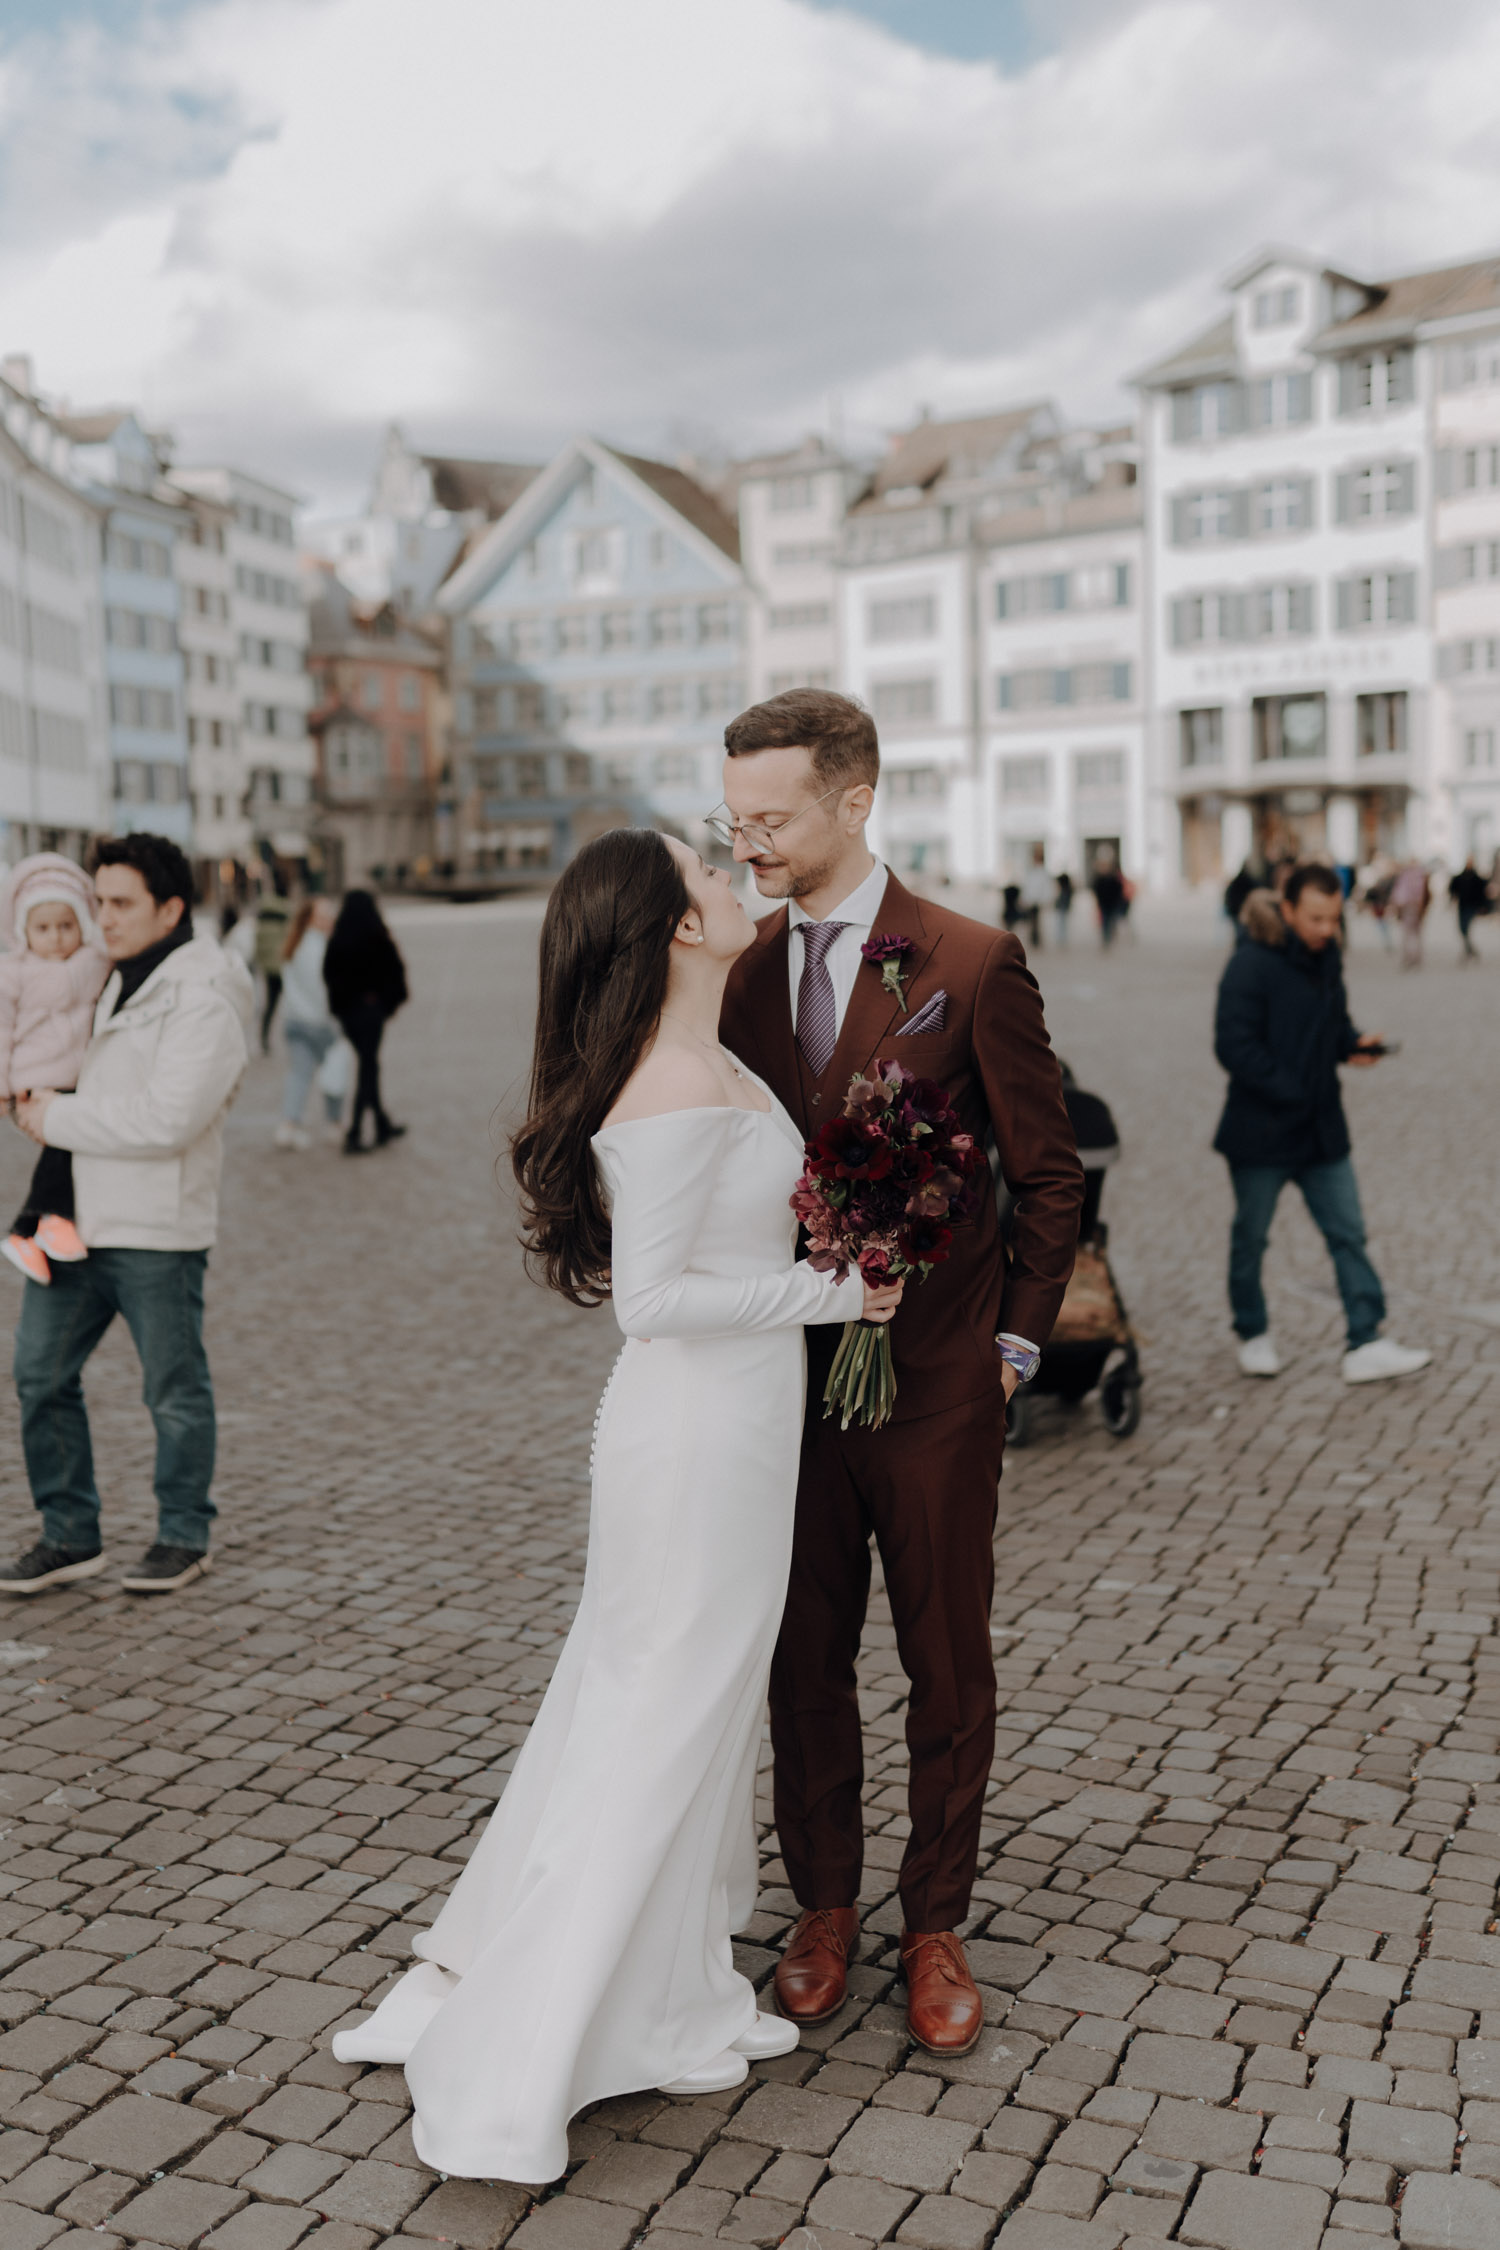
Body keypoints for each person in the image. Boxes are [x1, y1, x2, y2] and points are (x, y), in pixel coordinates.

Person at [329, 827, 893, 2179]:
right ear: (678, 928)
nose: (730, 874)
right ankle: (532, 2044)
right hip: (694, 1434)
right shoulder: (676, 1080)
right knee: (663, 1707)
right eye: (705, 870)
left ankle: (672, 1987)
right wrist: (835, 1289)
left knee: (677, 1698)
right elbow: (651, 1301)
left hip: (735, 1424)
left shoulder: (715, 1058)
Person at [717, 689, 1083, 2057]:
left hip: (936, 1383)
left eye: (772, 817)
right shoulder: (735, 973)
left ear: (854, 800)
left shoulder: (971, 962)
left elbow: (1049, 1174)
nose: (748, 840)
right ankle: (824, 1906)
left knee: (945, 1660)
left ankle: (936, 1920)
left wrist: (1014, 1348)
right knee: (802, 1660)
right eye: (734, 817)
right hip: (781, 1384)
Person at [0, 833, 252, 1596]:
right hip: (74, 1222)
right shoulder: (104, 974)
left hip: (154, 1227)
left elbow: (168, 1118)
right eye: (98, 901)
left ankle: (183, 1534)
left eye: (119, 903)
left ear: (170, 908)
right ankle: (69, 1534)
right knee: (39, 1375)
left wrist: (53, 1116)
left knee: (172, 1388)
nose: (101, 917)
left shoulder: (203, 994)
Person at [1213, 863, 1430, 1387]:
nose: (1327, 929)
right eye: (1316, 918)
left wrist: (1351, 1044)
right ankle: (1253, 1332)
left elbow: (1330, 1025)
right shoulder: (1249, 964)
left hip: (1321, 1128)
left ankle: (1365, 1340)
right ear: (1287, 909)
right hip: (1261, 1131)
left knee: (1348, 1233)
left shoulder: (1327, 955)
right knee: (1251, 1238)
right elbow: (1234, 1047)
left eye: (1334, 918)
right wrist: (1293, 1088)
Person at [0, 855, 111, 1284]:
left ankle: (26, 1231)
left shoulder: (93, 962)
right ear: (24, 931)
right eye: (43, 928)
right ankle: (50, 1221)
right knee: (66, 1144)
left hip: (78, 1077)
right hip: (34, 1079)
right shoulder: (14, 973)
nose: (56, 938)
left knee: (70, 1146)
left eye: (66, 925)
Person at [322, 890, 407, 1154]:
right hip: (371, 1014)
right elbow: (396, 973)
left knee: (369, 1064)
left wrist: (343, 1004)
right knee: (368, 1067)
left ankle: (381, 1123)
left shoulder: (338, 939)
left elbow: (328, 974)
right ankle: (355, 1132)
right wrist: (382, 1003)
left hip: (349, 1015)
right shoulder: (377, 936)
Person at [275, 899, 344, 1149]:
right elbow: (322, 988)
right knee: (335, 1071)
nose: (330, 917)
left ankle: (289, 1125)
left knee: (299, 1075)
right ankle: (334, 1123)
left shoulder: (294, 944)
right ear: (312, 918)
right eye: (325, 913)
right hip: (320, 1021)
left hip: (295, 1019)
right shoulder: (318, 947)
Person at [253, 887, 292, 1052]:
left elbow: (258, 949)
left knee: (270, 1004)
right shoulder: (284, 918)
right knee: (291, 1004)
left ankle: (264, 1037)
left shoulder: (262, 922)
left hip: (269, 969)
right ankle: (292, 1038)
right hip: (283, 968)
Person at [1390, 857, 1430, 970]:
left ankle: (1410, 957)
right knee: (1415, 934)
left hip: (1409, 906)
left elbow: (1398, 894)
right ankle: (1415, 957)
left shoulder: (1406, 876)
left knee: (1408, 933)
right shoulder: (1420, 876)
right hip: (1414, 907)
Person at [1449, 857, 1490, 963]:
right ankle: (1471, 950)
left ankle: (1469, 951)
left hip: (1472, 906)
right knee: (1462, 929)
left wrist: (1483, 906)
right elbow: (1453, 888)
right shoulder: (1460, 877)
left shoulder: (1476, 878)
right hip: (1462, 906)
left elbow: (1482, 893)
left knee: (1466, 928)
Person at [1091, 849, 1126, 946]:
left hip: (1112, 904)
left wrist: (1118, 901)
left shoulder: (1113, 878)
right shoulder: (1099, 878)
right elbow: (1096, 890)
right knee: (1105, 921)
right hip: (1104, 904)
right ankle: (1106, 938)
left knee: (1111, 921)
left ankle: (1110, 937)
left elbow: (1119, 890)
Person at [1054, 866, 1073, 946]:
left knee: (1061, 921)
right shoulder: (1067, 888)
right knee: (1063, 921)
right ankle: (1062, 937)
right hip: (1064, 904)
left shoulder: (1061, 889)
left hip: (1061, 904)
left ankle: (1061, 937)